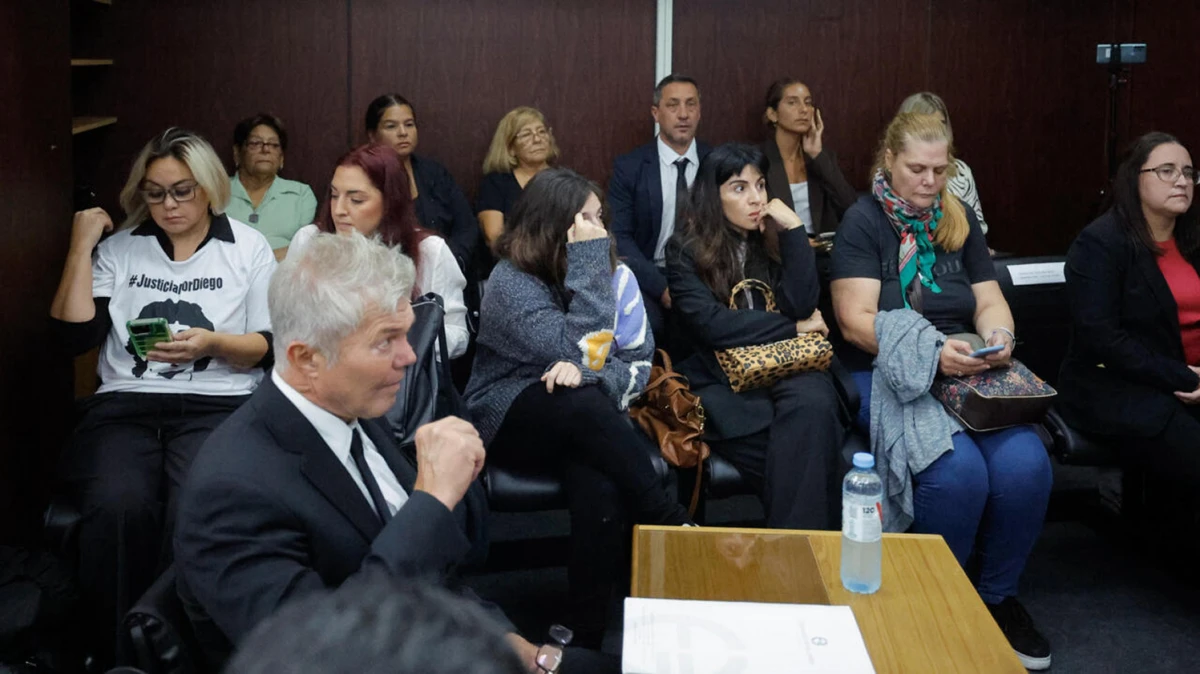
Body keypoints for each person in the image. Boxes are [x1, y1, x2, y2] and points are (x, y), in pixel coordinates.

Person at [174, 233, 579, 673]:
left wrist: (507, 644)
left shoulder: (353, 411)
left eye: (406, 334)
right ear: (307, 358)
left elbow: (438, 577)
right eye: (386, 340)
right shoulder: (232, 489)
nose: (409, 356)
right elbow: (321, 656)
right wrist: (431, 502)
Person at [829, 112, 1052, 670]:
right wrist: (929, 354)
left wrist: (1001, 333)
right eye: (917, 169)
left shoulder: (958, 219)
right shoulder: (862, 221)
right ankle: (932, 600)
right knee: (957, 474)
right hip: (891, 366)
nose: (929, 182)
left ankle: (995, 600)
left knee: (1027, 465)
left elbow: (989, 298)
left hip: (967, 361)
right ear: (888, 161)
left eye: (939, 169)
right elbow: (856, 321)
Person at [48, 128, 275, 665]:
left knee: (194, 501)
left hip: (218, 402)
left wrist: (214, 342)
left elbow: (266, 349)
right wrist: (82, 246)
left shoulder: (247, 247)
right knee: (117, 505)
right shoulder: (121, 249)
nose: (168, 205)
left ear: (210, 188)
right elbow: (71, 336)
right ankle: (117, 650)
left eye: (182, 191)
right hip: (125, 406)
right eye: (155, 193)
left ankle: (183, 648)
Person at [464, 168, 692, 644]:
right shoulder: (510, 281)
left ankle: (583, 633)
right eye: (585, 219)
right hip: (509, 410)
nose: (600, 229)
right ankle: (667, 521)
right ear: (553, 226)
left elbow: (634, 363)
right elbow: (582, 348)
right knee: (579, 401)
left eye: (599, 218)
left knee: (600, 480)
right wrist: (588, 263)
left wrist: (587, 374)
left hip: (581, 415)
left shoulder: (611, 275)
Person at [665, 143, 848, 530]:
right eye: (739, 188)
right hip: (725, 385)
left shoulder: (772, 239)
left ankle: (793, 563)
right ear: (713, 197)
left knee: (815, 402)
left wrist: (795, 231)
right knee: (811, 460)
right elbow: (715, 326)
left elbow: (801, 303)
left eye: (761, 185)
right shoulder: (684, 249)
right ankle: (807, 563)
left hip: (789, 371)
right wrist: (792, 328)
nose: (756, 199)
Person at [1058, 132, 1200, 487]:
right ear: (1135, 178)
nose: (1181, 181)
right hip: (1115, 386)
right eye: (1167, 171)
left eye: (1188, 172)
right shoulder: (1101, 243)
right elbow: (1103, 338)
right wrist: (1185, 377)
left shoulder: (1194, 239)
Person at [289, 143, 469, 359]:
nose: (339, 210)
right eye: (335, 196)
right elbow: (285, 320)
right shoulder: (309, 239)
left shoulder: (429, 250)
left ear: (390, 202)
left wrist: (395, 336)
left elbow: (457, 335)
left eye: (356, 200)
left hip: (399, 376)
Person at [224, 575, 526, 674]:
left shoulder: (366, 431)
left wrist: (498, 637)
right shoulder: (239, 492)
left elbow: (448, 572)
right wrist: (433, 502)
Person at [610, 75, 711, 344]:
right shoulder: (630, 167)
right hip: (649, 272)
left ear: (699, 112)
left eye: (691, 105)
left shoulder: (715, 162)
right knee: (650, 327)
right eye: (673, 105)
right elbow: (619, 237)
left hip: (704, 273)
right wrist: (660, 286)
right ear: (656, 113)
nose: (683, 114)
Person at [365, 94, 480, 266]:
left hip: (446, 269)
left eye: (409, 124)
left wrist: (448, 262)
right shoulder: (363, 177)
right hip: (387, 276)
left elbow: (467, 228)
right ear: (373, 135)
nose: (403, 133)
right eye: (391, 126)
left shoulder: (434, 173)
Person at [761, 78, 857, 234]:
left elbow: (851, 208)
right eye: (792, 103)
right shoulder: (759, 159)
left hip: (823, 251)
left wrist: (817, 156)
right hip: (780, 252)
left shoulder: (821, 157)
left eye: (808, 102)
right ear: (772, 114)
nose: (804, 109)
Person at [224, 114, 318, 261]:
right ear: (237, 153)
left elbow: (305, 248)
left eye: (274, 145)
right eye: (255, 143)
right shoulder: (216, 192)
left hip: (283, 279)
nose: (265, 149)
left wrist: (258, 265)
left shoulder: (301, 194)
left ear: (281, 158)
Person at [897, 92, 988, 235]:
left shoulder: (961, 172)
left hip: (956, 249)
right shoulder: (891, 175)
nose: (936, 132)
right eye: (927, 125)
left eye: (941, 125)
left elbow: (978, 229)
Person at [477, 106, 559, 247]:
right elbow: (495, 237)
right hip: (514, 263)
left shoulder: (565, 182)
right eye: (526, 134)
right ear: (510, 148)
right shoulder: (496, 184)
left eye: (542, 131)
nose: (537, 139)